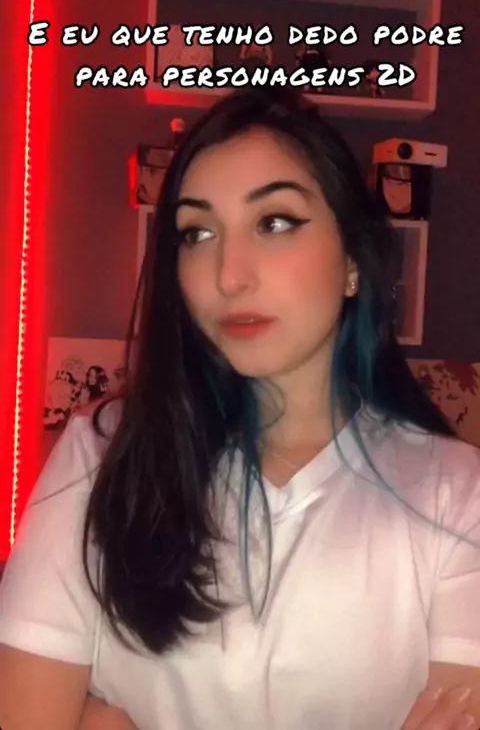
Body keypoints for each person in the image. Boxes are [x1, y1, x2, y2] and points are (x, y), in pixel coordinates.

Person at [1, 85, 480, 730]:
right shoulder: (101, 459)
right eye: (197, 233)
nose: (229, 275)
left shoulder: (455, 494)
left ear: (352, 260)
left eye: (275, 222)